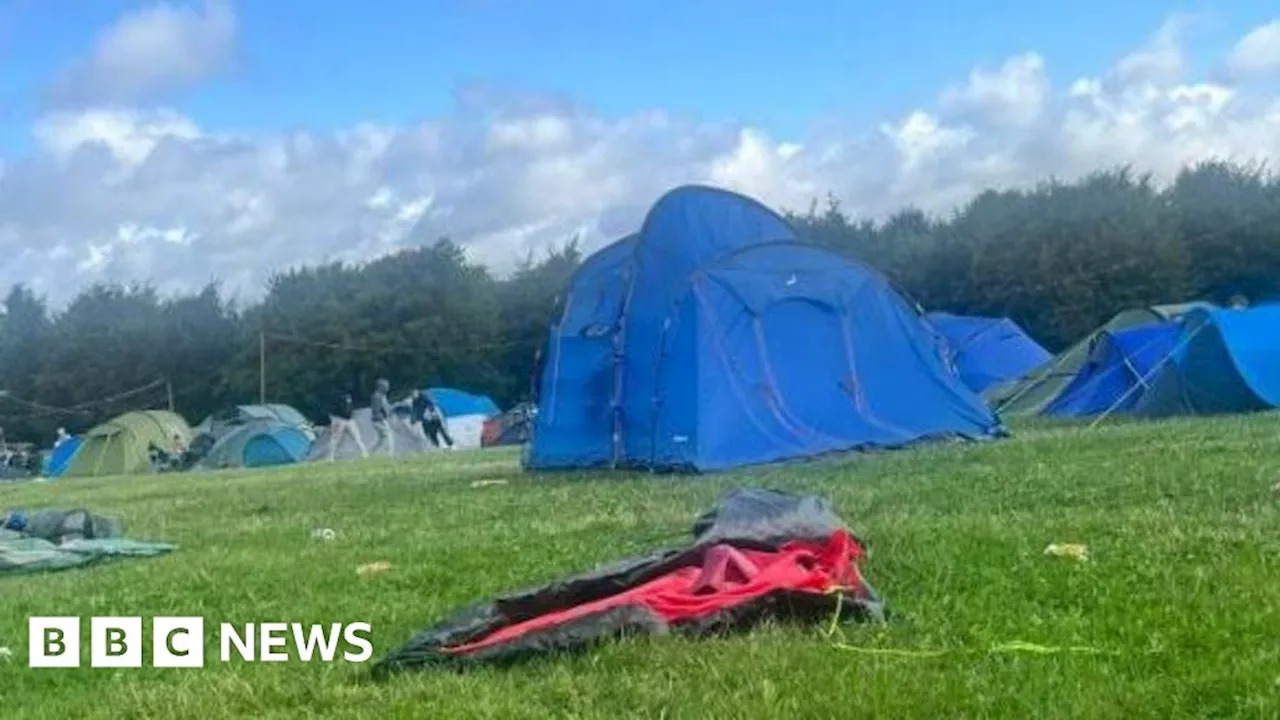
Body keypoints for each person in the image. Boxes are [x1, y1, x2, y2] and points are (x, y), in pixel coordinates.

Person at [328, 390, 367, 461]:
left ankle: (364, 452)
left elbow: (348, 411)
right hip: (342, 420)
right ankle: (331, 457)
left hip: (348, 420)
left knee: (356, 437)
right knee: (336, 439)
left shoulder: (340, 400)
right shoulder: (341, 401)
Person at [369, 378, 395, 457]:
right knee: (389, 435)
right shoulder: (377, 396)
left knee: (380, 439)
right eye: (386, 386)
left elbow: (385, 407)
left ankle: (369, 453)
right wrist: (383, 418)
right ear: (380, 387)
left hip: (380, 419)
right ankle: (390, 454)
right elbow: (377, 409)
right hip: (379, 419)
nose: (387, 388)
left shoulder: (382, 396)